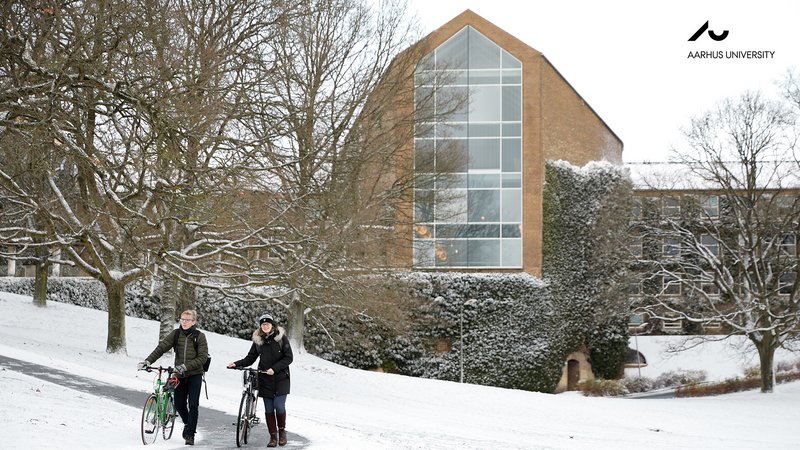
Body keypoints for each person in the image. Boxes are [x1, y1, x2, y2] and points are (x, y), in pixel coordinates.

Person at [138, 309, 209, 446]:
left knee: (193, 405)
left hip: (195, 375)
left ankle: (190, 434)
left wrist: (185, 366)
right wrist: (147, 361)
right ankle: (188, 423)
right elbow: (162, 347)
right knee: (179, 403)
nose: (184, 322)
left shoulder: (199, 336)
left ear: (194, 321)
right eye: (182, 319)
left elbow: (202, 358)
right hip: (180, 375)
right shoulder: (176, 334)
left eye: (187, 320)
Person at [227, 312, 293, 447]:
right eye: (263, 324)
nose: (265, 326)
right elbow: (250, 358)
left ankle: (282, 432)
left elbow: (289, 358)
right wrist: (237, 363)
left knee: (279, 406)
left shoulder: (281, 339)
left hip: (281, 378)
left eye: (267, 324)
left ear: (272, 325)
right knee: (269, 409)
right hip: (264, 378)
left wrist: (274, 369)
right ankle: (273, 437)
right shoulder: (258, 341)